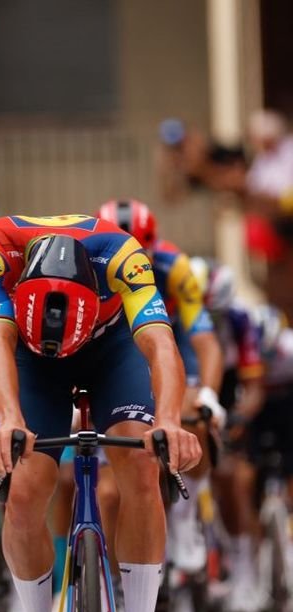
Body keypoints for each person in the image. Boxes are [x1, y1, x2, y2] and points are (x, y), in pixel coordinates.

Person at [0, 216, 200, 612]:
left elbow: (159, 345)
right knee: (25, 487)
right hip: (33, 358)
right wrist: (9, 419)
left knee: (139, 468)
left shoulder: (123, 256)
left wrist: (171, 421)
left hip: (112, 347)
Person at [95, 199, 225, 574]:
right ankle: (107, 579)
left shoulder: (176, 269)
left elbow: (205, 341)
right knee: (107, 490)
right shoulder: (86, 263)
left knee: (194, 417)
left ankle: (186, 515)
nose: (132, 261)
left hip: (169, 338)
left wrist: (209, 396)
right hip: (116, 348)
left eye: (142, 251)